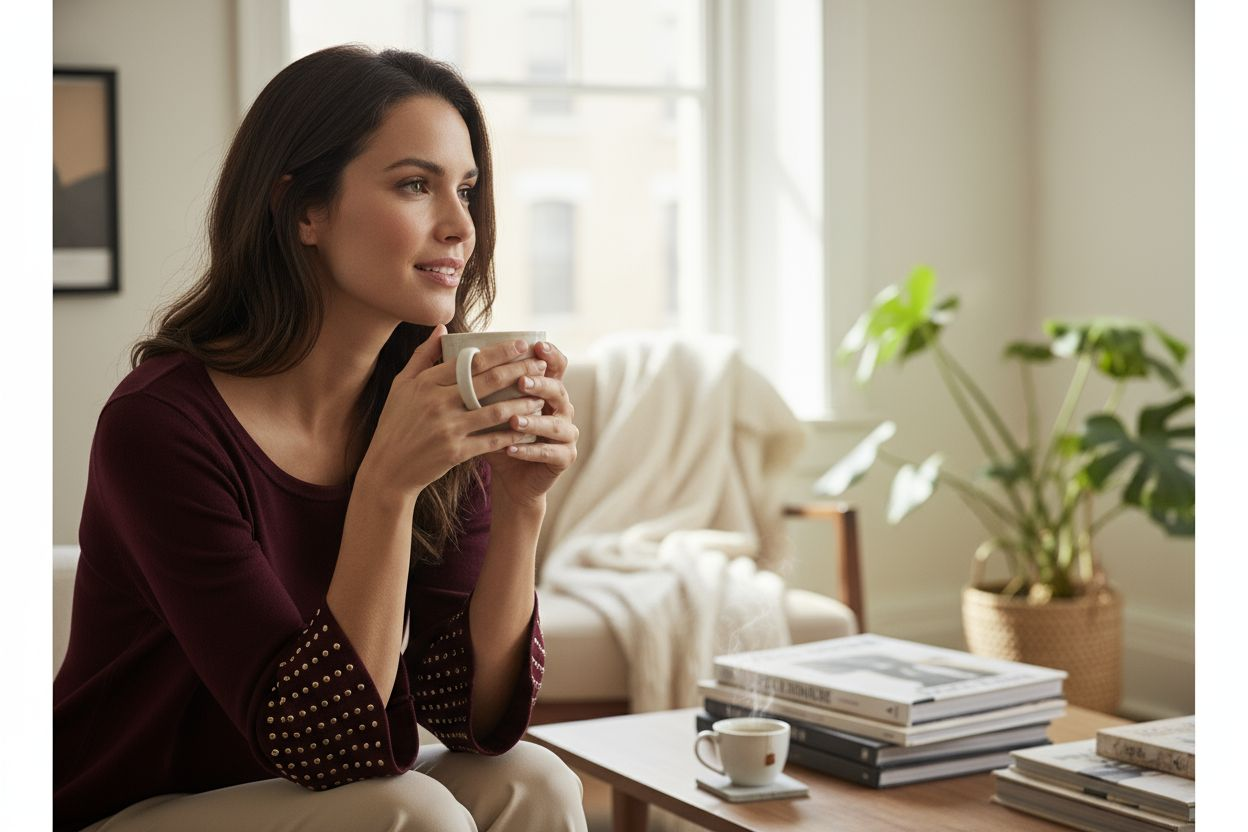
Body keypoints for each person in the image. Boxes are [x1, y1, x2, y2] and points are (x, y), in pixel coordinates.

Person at [53, 45, 586, 832]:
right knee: (406, 811)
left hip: (313, 791)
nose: (459, 227)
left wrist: (522, 506)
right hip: (133, 805)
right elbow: (330, 748)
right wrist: (385, 486)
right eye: (415, 184)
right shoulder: (159, 426)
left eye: (466, 190)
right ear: (305, 209)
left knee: (530, 778)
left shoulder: (427, 395)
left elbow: (475, 718)